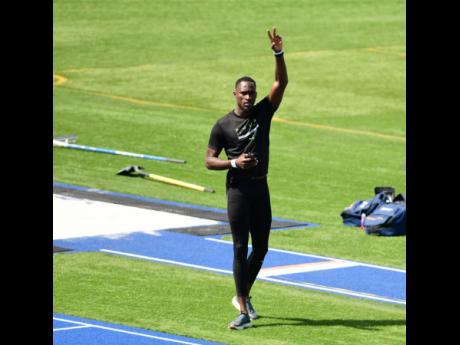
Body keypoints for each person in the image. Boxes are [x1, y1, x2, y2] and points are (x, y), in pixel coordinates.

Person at [205, 27, 288, 330]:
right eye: (244, 93)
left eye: (252, 92)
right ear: (235, 94)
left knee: (262, 247)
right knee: (240, 247)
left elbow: (281, 82)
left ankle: (243, 297)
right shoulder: (223, 125)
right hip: (238, 189)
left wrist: (278, 53)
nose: (249, 97)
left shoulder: (263, 114)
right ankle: (242, 309)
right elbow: (208, 161)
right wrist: (234, 163)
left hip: (260, 187)